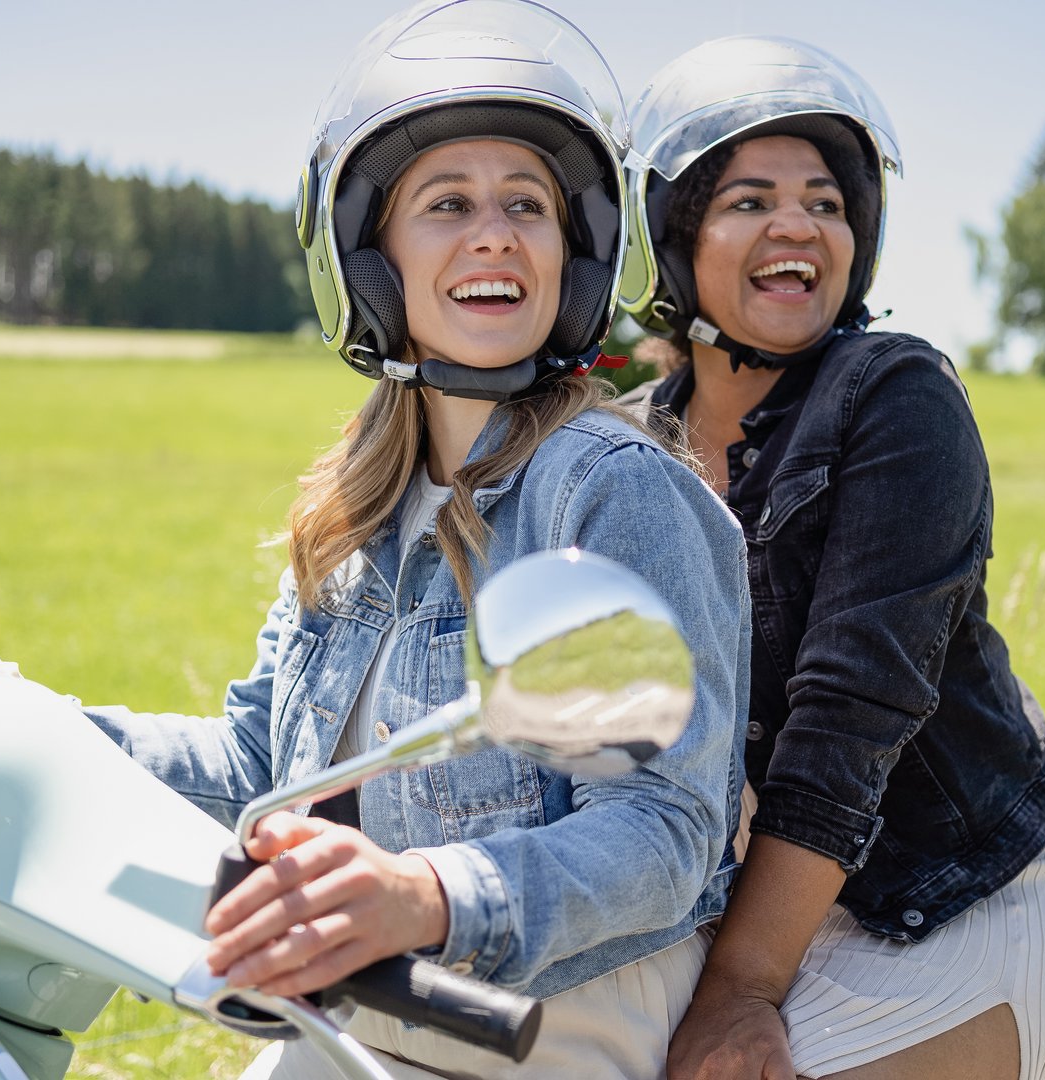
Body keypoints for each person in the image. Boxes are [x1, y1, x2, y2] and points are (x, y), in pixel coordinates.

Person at [77, 4, 750, 1077]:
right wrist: (41, 734)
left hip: (543, 1027)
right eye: (448, 203)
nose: (495, 231)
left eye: (526, 203)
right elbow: (257, 765)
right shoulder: (365, 496)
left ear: (573, 256)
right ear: (373, 261)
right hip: (364, 1011)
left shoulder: (612, 494)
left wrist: (427, 895)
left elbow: (662, 833)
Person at [620, 37, 1045, 1080]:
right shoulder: (624, 444)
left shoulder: (896, 398)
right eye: (749, 200)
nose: (798, 222)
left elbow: (850, 720)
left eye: (826, 203)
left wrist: (741, 993)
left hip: (947, 900)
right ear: (672, 238)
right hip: (739, 907)